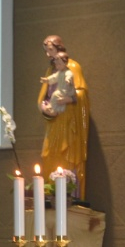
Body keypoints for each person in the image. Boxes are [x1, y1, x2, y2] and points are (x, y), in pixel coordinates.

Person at [38, 35, 90, 199]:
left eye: (51, 50)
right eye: (46, 52)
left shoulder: (72, 67)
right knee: (49, 156)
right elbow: (44, 95)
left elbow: (81, 93)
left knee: (66, 157)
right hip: (54, 122)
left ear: (60, 49)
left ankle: (69, 198)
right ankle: (50, 196)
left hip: (68, 123)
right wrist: (43, 107)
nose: (48, 55)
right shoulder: (50, 70)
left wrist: (67, 99)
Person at [39, 52, 75, 117]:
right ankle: (51, 107)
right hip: (61, 90)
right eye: (56, 64)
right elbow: (54, 77)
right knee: (55, 95)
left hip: (66, 91)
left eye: (59, 64)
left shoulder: (68, 72)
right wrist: (47, 80)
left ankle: (54, 110)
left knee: (55, 95)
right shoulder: (60, 72)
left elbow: (69, 76)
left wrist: (68, 80)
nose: (57, 66)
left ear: (65, 63)